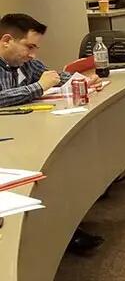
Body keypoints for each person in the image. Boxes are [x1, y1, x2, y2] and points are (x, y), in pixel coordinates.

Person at [0, 13, 105, 254]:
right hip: (6, 143)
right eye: (29, 47)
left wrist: (84, 81)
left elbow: (55, 76)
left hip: (26, 133)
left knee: (60, 165)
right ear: (7, 40)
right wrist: (39, 87)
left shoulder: (25, 62)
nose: (33, 54)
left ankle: (64, 231)